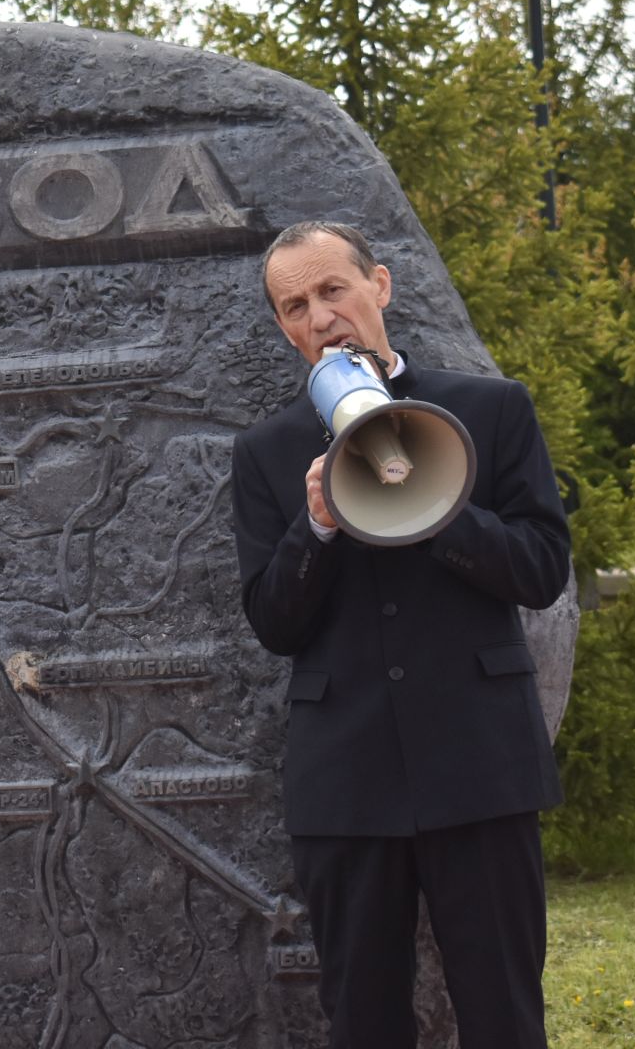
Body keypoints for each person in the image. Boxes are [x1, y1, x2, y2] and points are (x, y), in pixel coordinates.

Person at [229, 220, 569, 1049]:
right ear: (284, 325)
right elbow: (273, 623)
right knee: (364, 1022)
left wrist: (437, 507)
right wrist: (315, 527)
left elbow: (540, 569)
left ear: (378, 286)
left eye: (332, 290)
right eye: (295, 305)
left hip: (481, 767)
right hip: (345, 784)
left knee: (504, 1017)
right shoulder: (267, 451)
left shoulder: (491, 410)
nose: (319, 318)